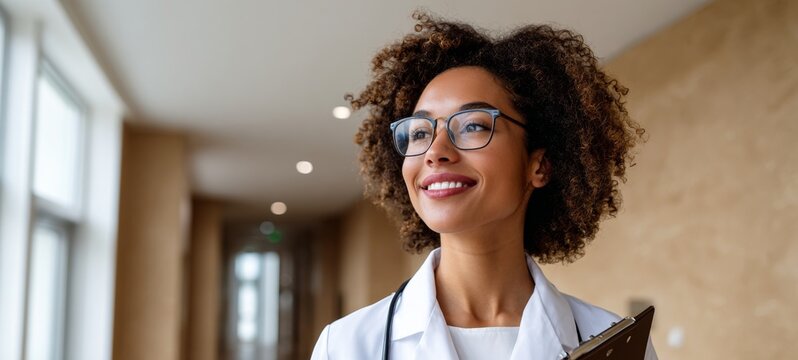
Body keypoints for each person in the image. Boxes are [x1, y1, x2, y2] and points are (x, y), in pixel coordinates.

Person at [312, 11, 657, 360]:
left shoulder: (622, 347)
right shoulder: (344, 346)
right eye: (419, 132)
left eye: (473, 126)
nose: (435, 151)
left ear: (540, 165)